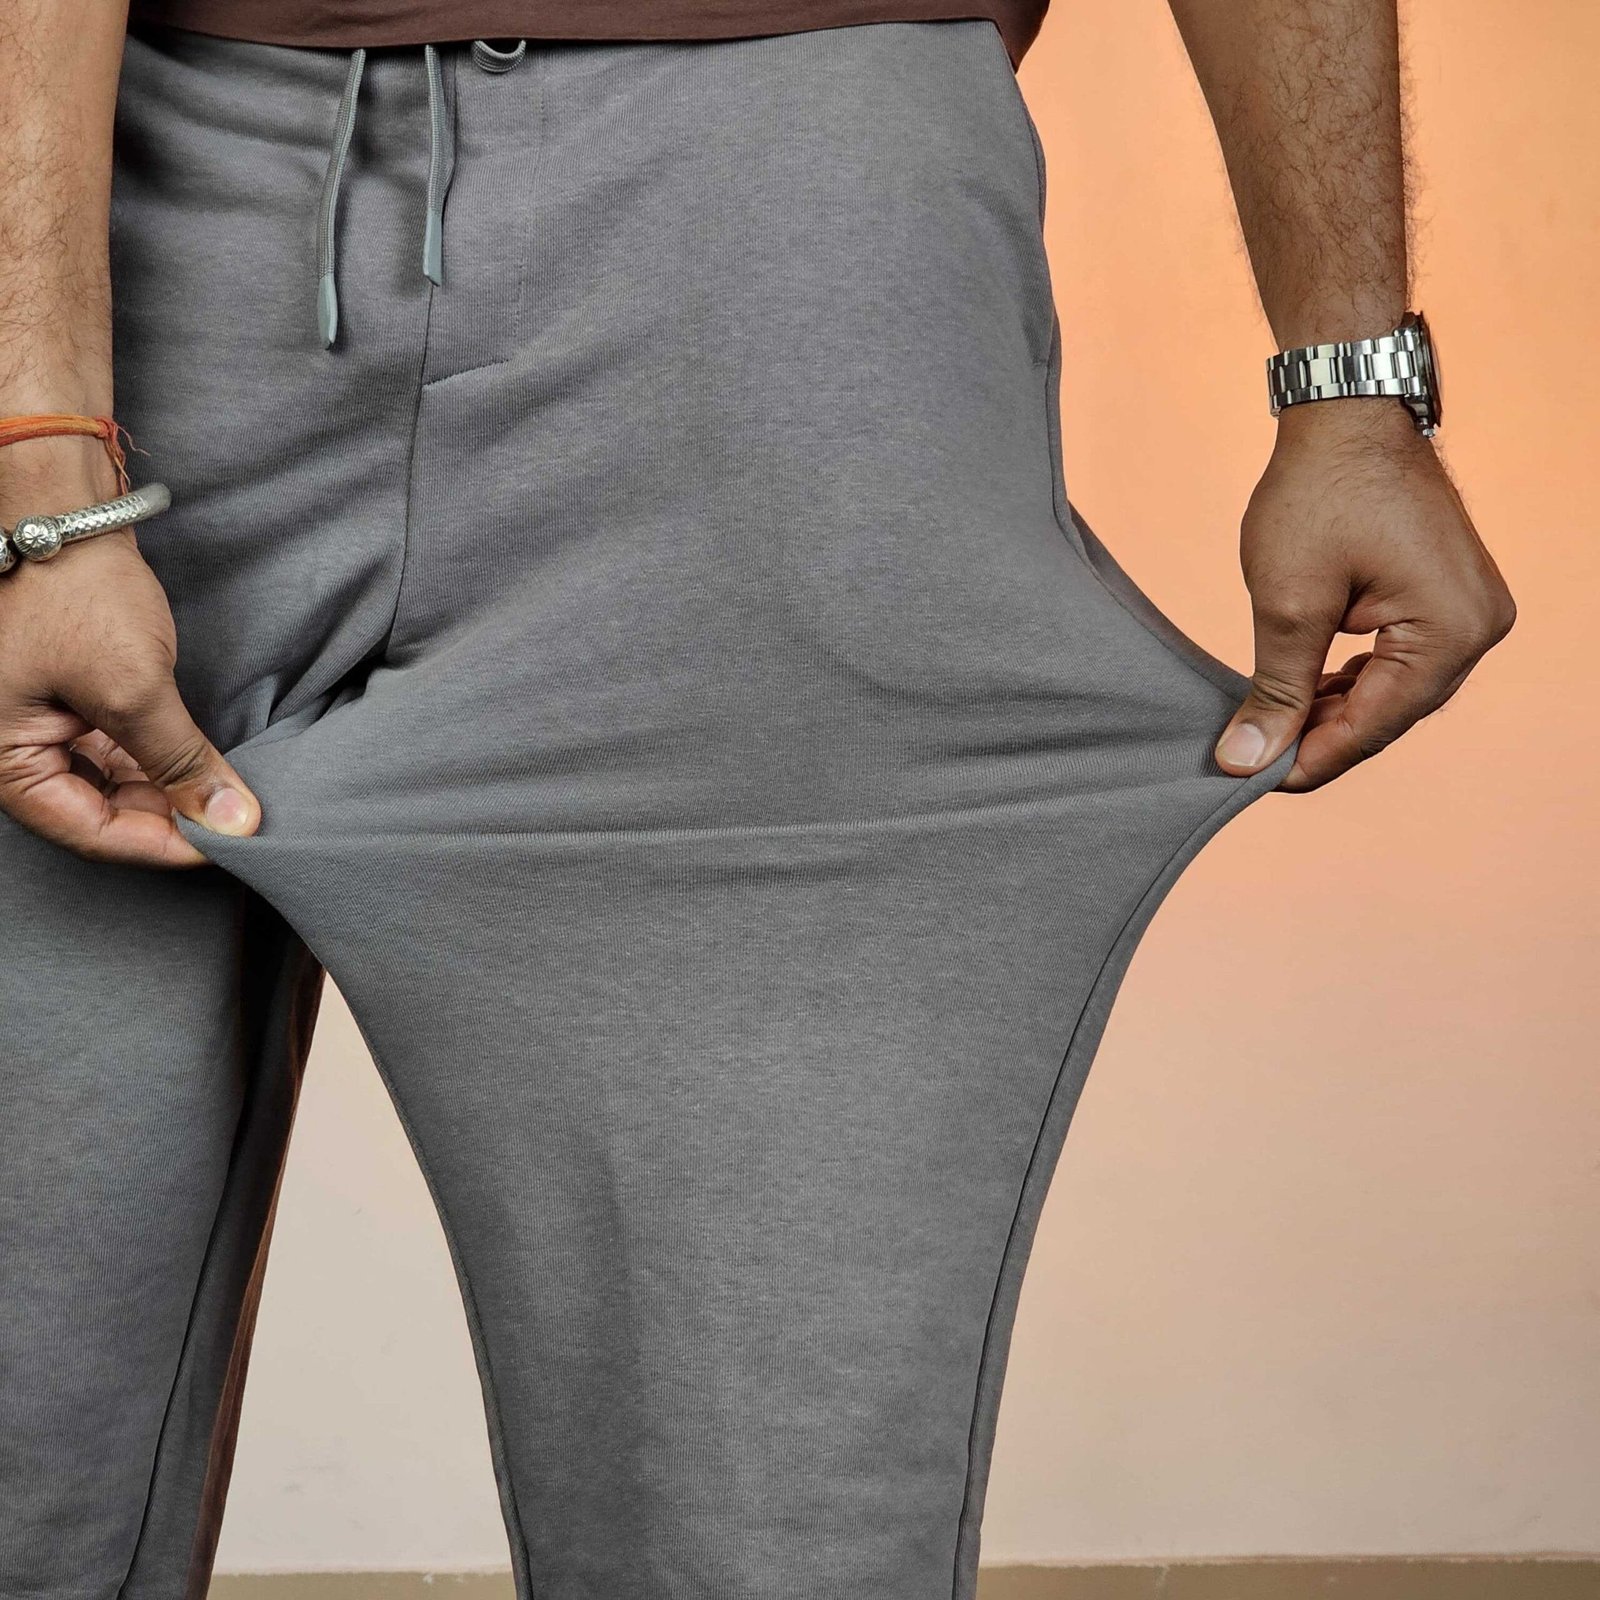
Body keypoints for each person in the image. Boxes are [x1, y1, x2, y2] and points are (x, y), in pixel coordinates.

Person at [0, 1, 1513, 1594]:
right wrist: (32, 440)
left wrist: (1355, 380)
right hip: (98, 174)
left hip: (788, 257)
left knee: (758, 1529)